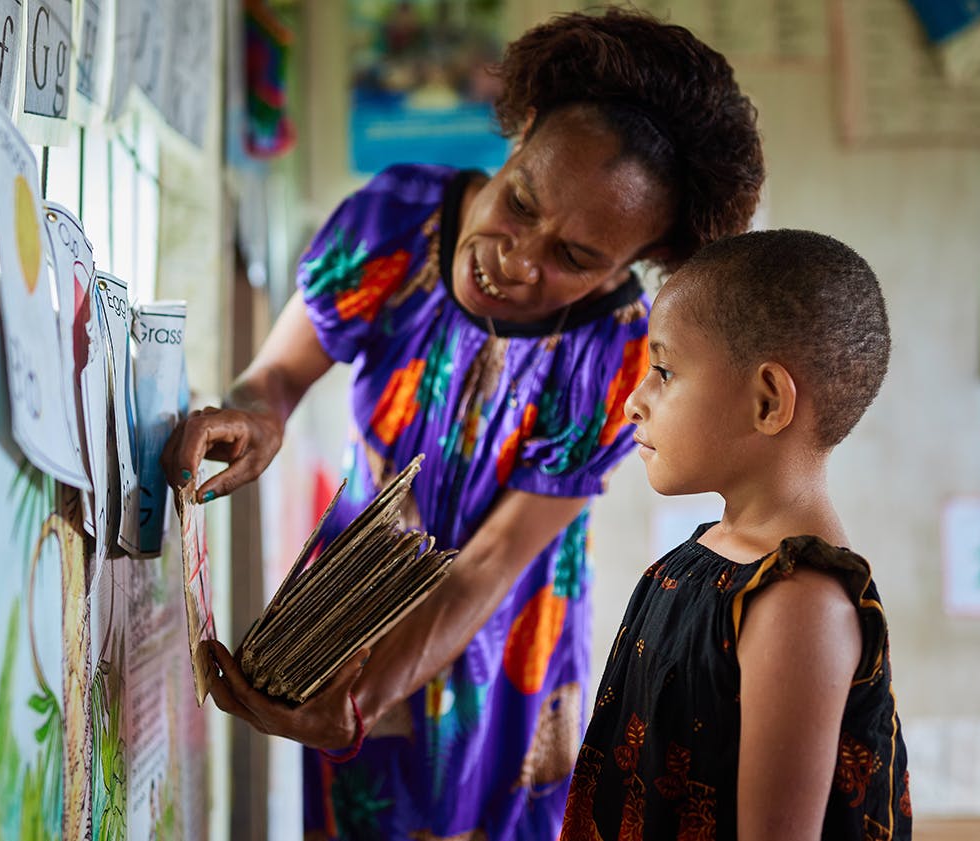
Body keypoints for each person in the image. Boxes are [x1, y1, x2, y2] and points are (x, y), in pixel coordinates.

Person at [162, 7, 764, 839]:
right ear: (517, 133)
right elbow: (276, 375)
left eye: (577, 258)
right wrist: (255, 417)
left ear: (629, 268)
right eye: (521, 202)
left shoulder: (617, 350)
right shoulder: (393, 222)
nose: (517, 259)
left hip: (503, 653)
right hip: (345, 610)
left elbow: (490, 561)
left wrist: (361, 702)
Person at [560, 229, 911, 841]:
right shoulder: (701, 557)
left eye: (664, 371)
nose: (633, 403)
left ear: (768, 401)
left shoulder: (799, 606)